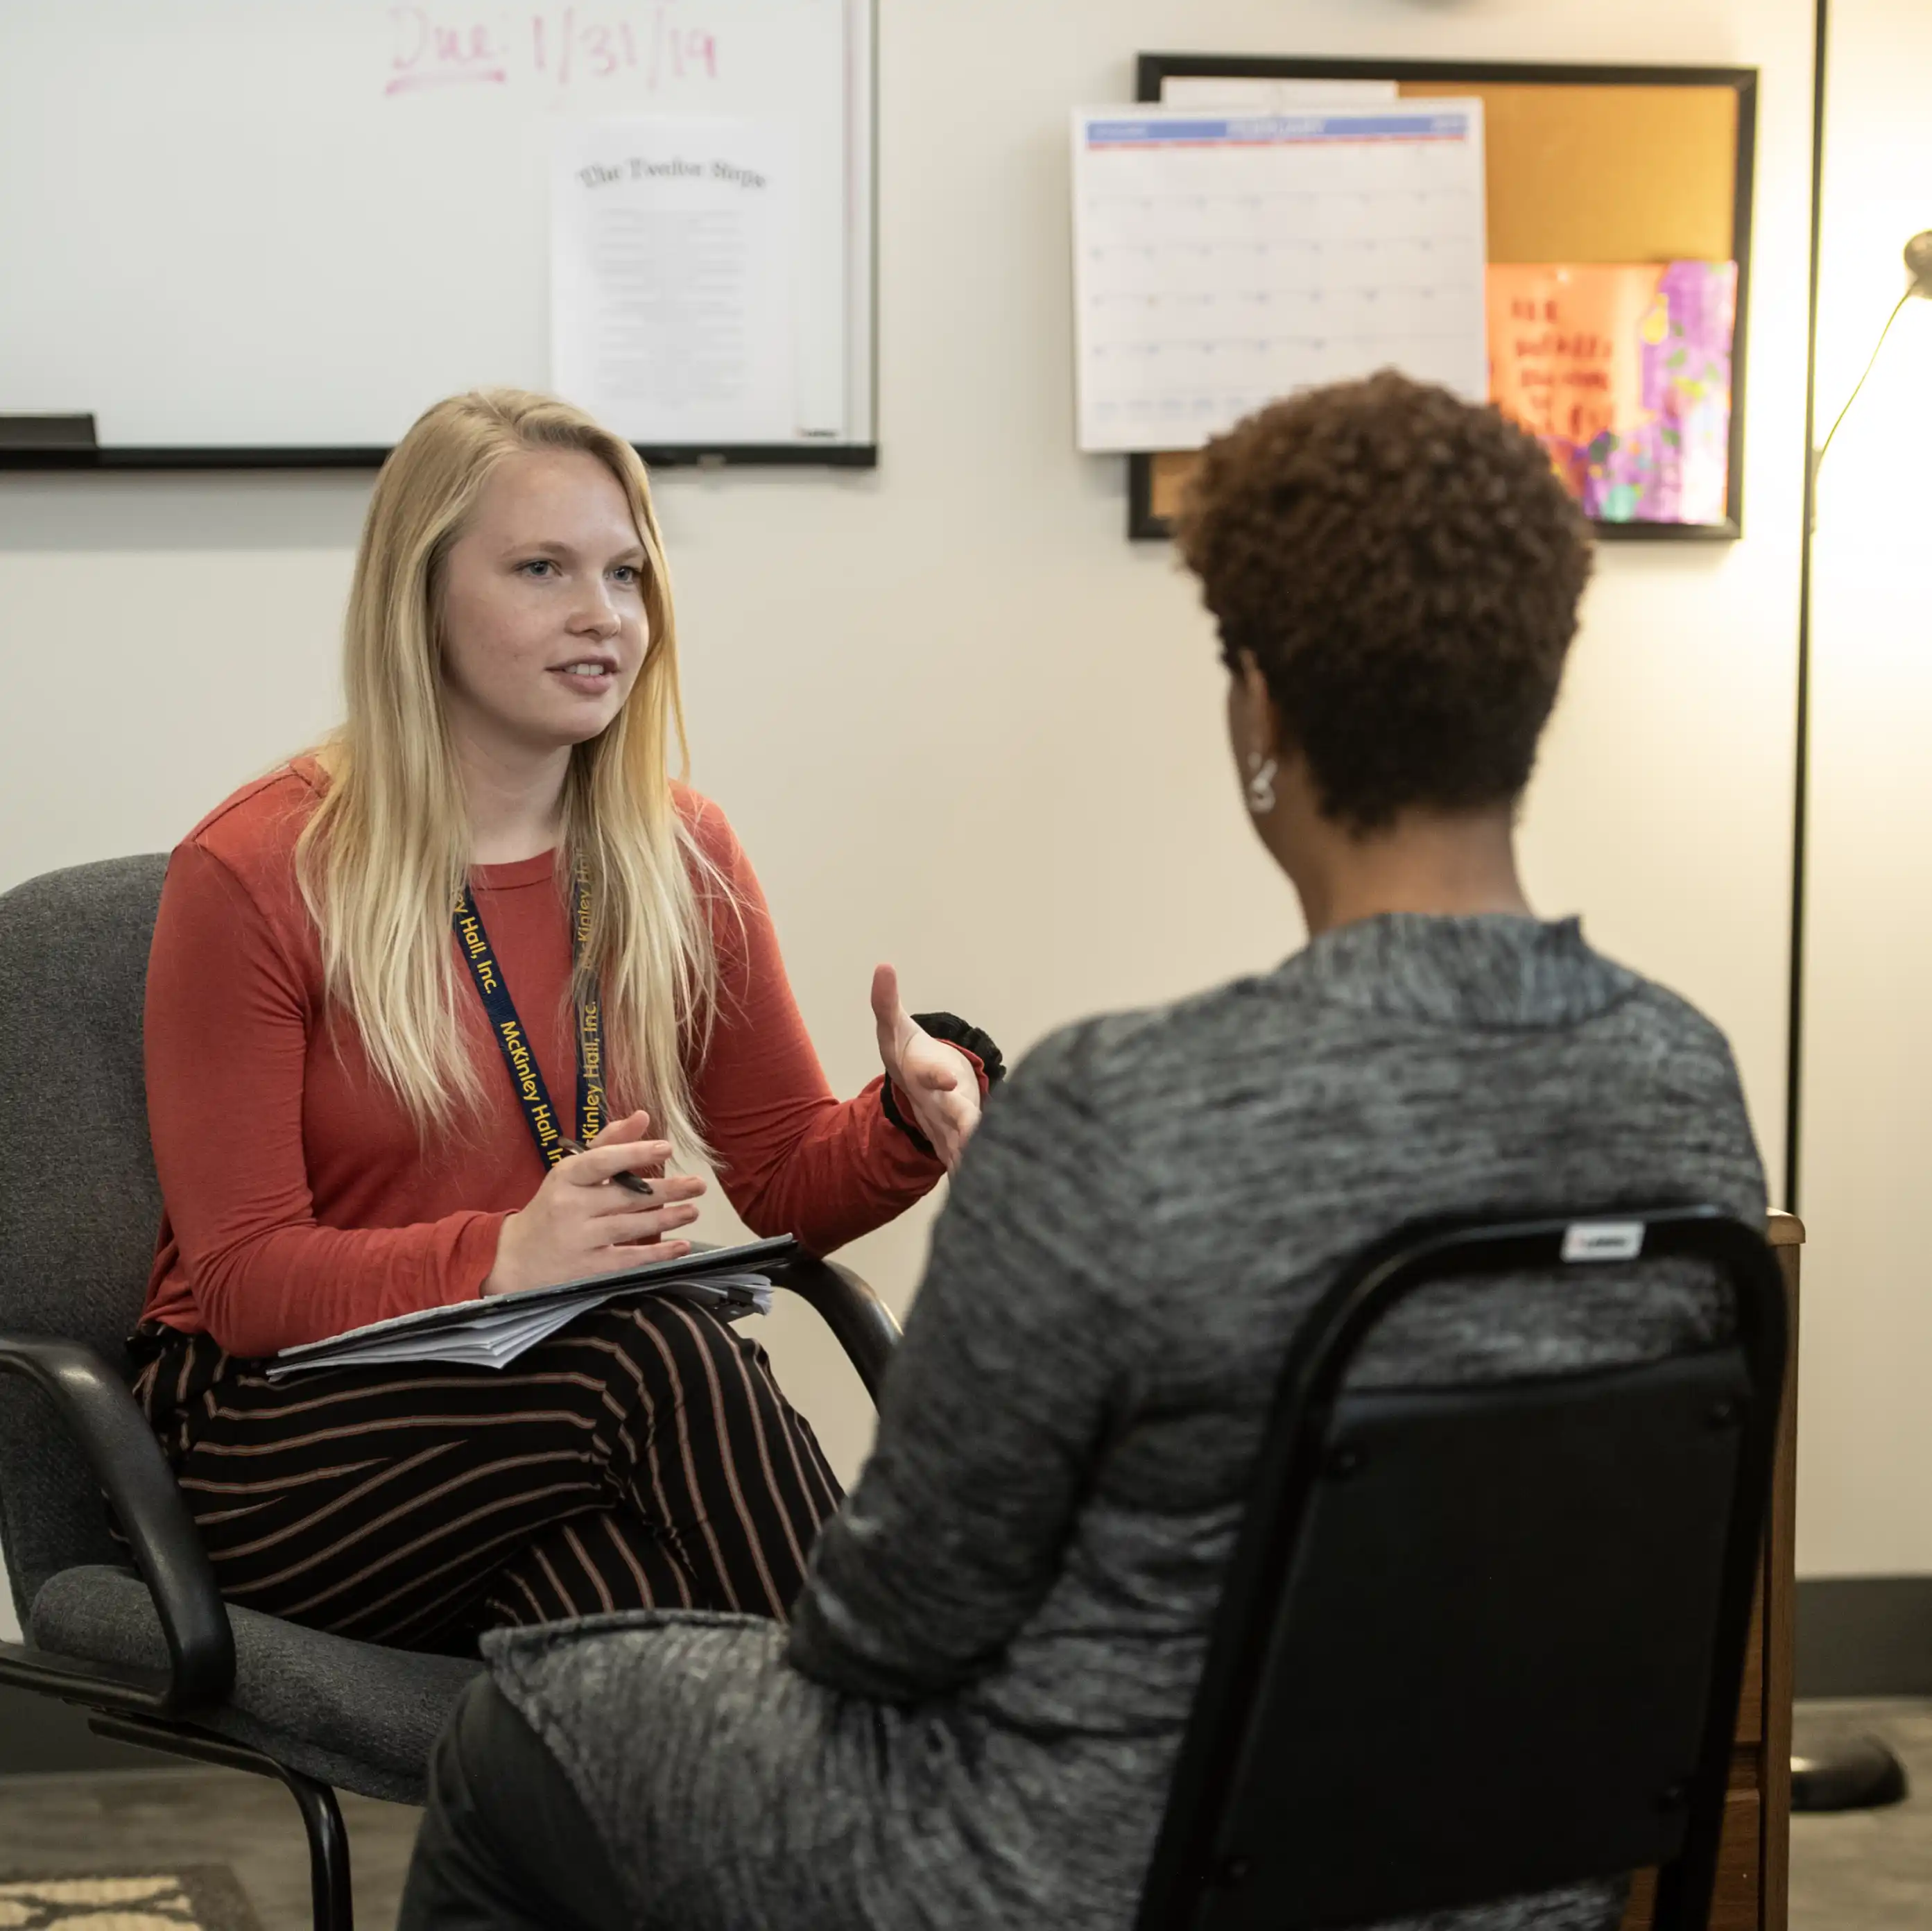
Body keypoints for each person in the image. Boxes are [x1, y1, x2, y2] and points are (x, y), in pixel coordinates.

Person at [399, 370, 1767, 1931]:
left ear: (1258, 706)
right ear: (1540, 687)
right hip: (1499, 1874)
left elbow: (886, 1633)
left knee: (523, 1725)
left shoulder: (1124, 1110)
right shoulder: (1680, 1087)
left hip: (1070, 1875)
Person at [132, 387, 999, 1649]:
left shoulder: (672, 848)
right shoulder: (261, 868)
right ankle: (923, 1768)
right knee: (658, 1351)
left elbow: (783, 1179)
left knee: (627, 1638)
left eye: (627, 574)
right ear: (419, 595)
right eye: (543, 569)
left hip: (549, 1414)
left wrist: (917, 1115)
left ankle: (834, 1813)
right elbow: (248, 1281)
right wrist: (504, 1257)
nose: (605, 617)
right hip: (274, 1432)